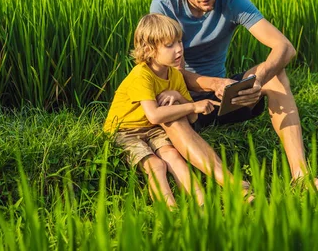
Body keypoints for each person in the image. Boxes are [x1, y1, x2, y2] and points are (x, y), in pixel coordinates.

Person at [150, 0, 318, 188]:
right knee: (168, 103)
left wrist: (258, 79)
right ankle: (231, 184)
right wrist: (215, 83)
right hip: (186, 99)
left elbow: (285, 47)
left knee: (276, 74)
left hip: (226, 99)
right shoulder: (164, 7)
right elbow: (168, 72)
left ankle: (301, 174)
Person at [103, 13, 250, 208]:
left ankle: (203, 204)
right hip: (125, 131)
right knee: (157, 165)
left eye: (180, 42)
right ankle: (169, 211)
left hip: (151, 130)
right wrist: (191, 105)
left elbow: (192, 118)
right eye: (169, 45)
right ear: (149, 49)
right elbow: (154, 115)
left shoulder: (174, 75)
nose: (179, 49)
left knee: (174, 156)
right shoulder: (141, 75)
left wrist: (181, 99)